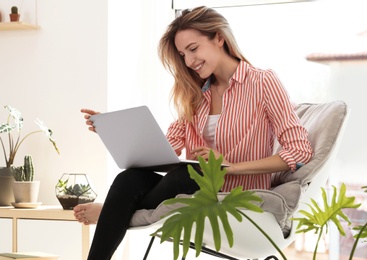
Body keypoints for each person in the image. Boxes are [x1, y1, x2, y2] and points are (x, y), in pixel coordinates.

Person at [74, 6, 313, 260]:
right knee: (129, 179)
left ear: (219, 38)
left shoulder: (263, 82)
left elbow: (299, 151)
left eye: (193, 49)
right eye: (182, 54)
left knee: (190, 174)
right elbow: (166, 151)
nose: (188, 61)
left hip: (233, 193)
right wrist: (117, 132)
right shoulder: (195, 93)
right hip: (191, 186)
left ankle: (113, 210)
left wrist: (229, 167)